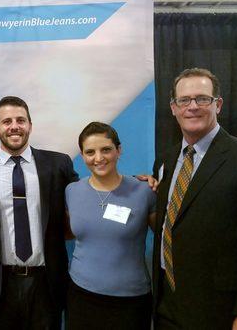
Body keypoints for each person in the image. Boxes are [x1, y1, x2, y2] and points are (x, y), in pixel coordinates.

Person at [152, 68, 237, 329]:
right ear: (174, 108)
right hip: (166, 304)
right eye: (184, 100)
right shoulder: (165, 159)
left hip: (218, 311)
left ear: (218, 105)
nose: (193, 107)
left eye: (202, 99)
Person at [0, 96, 78, 329]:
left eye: (20, 120)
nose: (14, 126)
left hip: (46, 286)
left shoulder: (58, 164)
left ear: (30, 125)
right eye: (6, 121)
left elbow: (90, 193)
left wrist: (138, 184)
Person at [64, 122, 156, 330]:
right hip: (81, 297)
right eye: (90, 152)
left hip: (130, 302)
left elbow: (165, 238)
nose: (98, 158)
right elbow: (70, 232)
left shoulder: (144, 191)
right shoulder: (71, 191)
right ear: (82, 155)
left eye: (106, 149)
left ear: (118, 150)